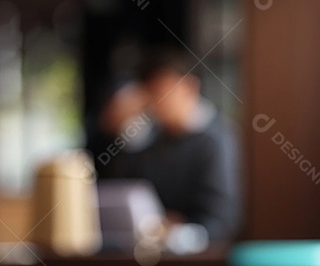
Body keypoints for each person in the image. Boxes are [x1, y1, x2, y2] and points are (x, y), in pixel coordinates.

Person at [100, 47, 242, 244]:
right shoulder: (150, 138)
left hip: (201, 261)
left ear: (190, 88)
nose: (158, 102)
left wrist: (178, 231)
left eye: (164, 91)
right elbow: (124, 193)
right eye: (152, 93)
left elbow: (221, 222)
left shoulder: (216, 140)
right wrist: (118, 129)